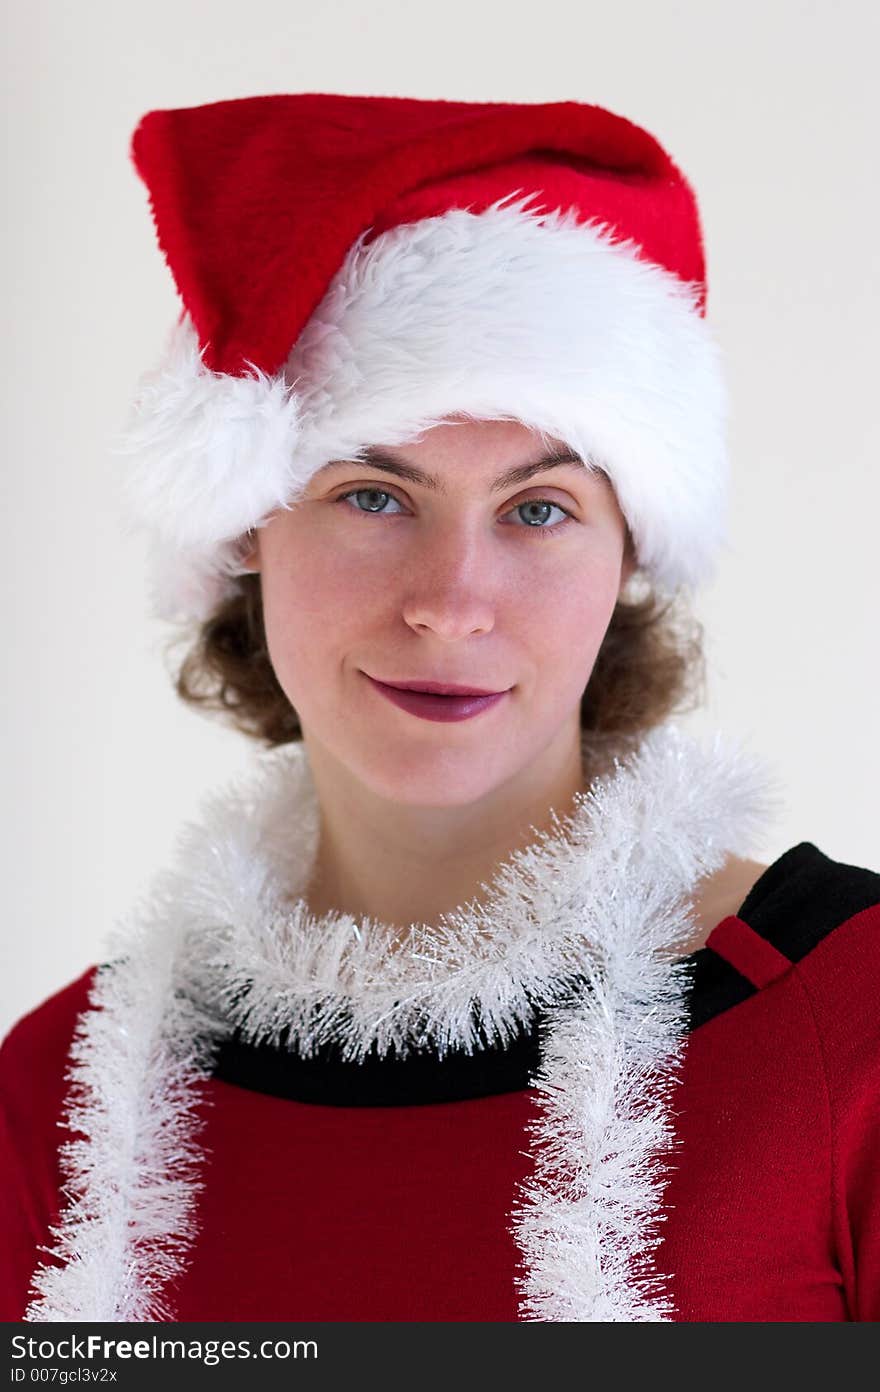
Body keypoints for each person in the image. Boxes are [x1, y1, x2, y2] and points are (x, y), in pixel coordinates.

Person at [2, 91, 878, 1324]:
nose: (453, 602)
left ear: (627, 555)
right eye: (372, 495)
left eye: (537, 510)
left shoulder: (850, 1012)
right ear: (248, 528)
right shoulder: (67, 1102)